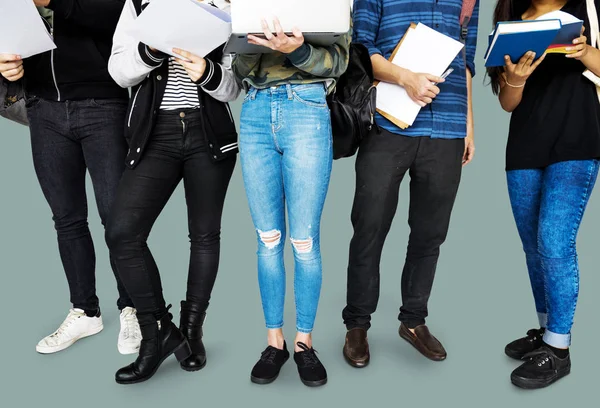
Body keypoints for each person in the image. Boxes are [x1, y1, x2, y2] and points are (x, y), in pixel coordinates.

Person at [106, 0, 240, 384]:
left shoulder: (225, 7)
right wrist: (149, 52)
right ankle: (158, 331)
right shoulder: (139, 4)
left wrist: (208, 73)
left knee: (204, 236)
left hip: (208, 134)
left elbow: (234, 88)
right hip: (156, 137)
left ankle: (192, 331)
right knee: (122, 233)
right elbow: (118, 71)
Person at [0, 0, 141, 356]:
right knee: (66, 219)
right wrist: (7, 67)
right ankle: (85, 311)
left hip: (102, 103)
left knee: (117, 218)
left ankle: (133, 307)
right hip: (42, 107)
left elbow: (115, 15)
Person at [342, 0, 479, 367]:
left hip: (447, 129)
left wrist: (468, 126)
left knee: (430, 233)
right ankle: (356, 325)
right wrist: (407, 78)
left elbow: (466, 61)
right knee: (369, 226)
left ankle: (414, 321)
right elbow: (362, 50)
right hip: (388, 124)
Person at [488, 0, 600, 390]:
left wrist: (585, 52)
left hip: (577, 142)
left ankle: (559, 348)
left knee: (554, 242)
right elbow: (506, 101)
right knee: (534, 247)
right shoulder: (508, 21)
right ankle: (545, 329)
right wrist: (515, 78)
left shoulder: (589, 9)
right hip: (523, 148)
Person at [232, 19, 350, 387]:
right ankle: (274, 342)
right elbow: (237, 66)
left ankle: (304, 343)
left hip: (307, 107)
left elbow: (340, 62)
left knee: (303, 241)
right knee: (267, 239)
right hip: (253, 110)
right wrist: (259, 43)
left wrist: (295, 50)